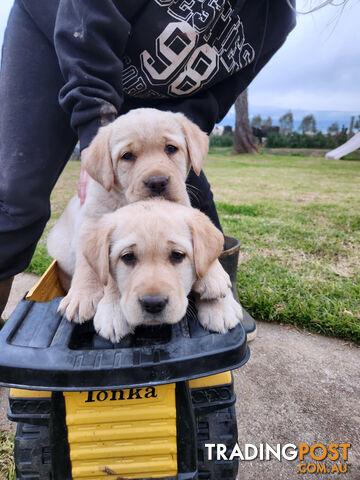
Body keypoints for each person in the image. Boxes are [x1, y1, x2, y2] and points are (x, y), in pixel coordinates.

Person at [0, 0, 296, 334]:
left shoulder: (277, 15)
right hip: (65, 36)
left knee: (189, 192)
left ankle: (216, 289)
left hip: (150, 82)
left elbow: (212, 97)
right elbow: (87, 21)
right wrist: (93, 133)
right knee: (16, 193)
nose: (156, 174)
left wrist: (180, 138)